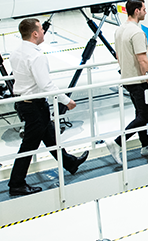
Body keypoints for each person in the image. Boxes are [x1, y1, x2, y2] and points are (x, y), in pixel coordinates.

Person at [8, 18, 88, 196]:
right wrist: (66, 100)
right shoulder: (36, 56)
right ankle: (16, 183)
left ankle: (70, 163)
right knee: (29, 145)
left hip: (24, 102)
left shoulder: (16, 52)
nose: (44, 32)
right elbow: (46, 85)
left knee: (50, 136)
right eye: (42, 30)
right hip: (34, 105)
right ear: (35, 33)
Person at [107, 0, 148, 163]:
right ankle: (117, 142)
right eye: (144, 9)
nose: (146, 12)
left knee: (139, 113)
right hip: (138, 81)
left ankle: (145, 144)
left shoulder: (120, 30)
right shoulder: (137, 33)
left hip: (126, 79)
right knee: (145, 116)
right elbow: (142, 60)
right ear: (137, 11)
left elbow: (118, 56)